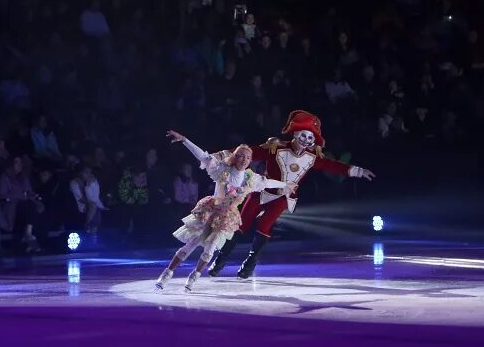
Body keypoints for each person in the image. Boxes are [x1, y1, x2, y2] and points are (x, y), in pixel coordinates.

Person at [208, 111, 374, 279]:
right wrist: (220, 156)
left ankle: (250, 263)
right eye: (303, 136)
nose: (306, 141)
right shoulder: (276, 148)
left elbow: (331, 165)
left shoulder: (312, 157)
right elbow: (248, 152)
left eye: (310, 138)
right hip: (263, 190)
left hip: (283, 198)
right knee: (240, 225)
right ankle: (220, 260)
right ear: (295, 134)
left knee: (264, 225)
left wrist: (358, 171)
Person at [155, 131, 286, 292]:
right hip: (211, 210)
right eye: (240, 156)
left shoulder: (250, 179)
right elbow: (203, 156)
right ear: (234, 157)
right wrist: (184, 140)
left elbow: (267, 182)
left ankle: (193, 277)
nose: (243, 159)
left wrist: (286, 186)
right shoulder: (221, 169)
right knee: (191, 244)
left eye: (247, 157)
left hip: (226, 216)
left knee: (209, 250)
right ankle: (167, 274)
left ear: (250, 160)